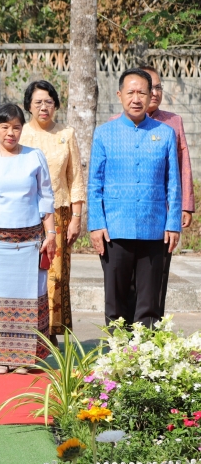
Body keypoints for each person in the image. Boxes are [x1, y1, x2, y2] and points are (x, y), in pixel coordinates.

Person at [88, 69, 181, 327]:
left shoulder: (165, 134)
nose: (136, 98)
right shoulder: (104, 134)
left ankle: (145, 359)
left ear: (152, 95)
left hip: (154, 229)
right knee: (116, 300)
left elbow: (173, 182)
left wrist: (173, 223)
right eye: (131, 92)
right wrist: (96, 224)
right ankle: (117, 357)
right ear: (120, 95)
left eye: (142, 92)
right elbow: (94, 184)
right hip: (115, 230)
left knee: (149, 301)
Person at [0, 104, 56, 375]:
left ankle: (24, 358)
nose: (11, 133)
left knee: (27, 298)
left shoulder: (34, 157)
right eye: (5, 127)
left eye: (16, 127)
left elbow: (46, 198)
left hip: (29, 241)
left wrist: (50, 234)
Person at [108, 66, 194, 318]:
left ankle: (148, 337)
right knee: (124, 282)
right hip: (122, 219)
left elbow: (182, 166)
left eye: (156, 88)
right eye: (148, 88)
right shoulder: (114, 125)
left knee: (154, 281)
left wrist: (185, 205)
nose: (152, 93)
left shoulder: (172, 122)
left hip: (160, 215)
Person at [19, 80, 85, 345]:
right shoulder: (19, 133)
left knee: (54, 276)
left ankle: (50, 332)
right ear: (28, 106)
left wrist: (77, 218)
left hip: (59, 214)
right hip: (24, 216)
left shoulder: (66, 134)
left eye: (48, 101)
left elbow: (76, 179)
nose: (43, 107)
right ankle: (25, 328)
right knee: (26, 273)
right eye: (37, 102)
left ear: (56, 104)